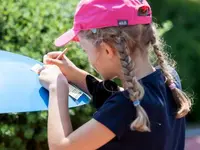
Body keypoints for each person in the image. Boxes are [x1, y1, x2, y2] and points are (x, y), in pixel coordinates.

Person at [38, 0, 192, 149]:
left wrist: (57, 87)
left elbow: (61, 147)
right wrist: (76, 75)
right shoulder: (169, 79)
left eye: (85, 50)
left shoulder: (124, 107)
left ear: (107, 50)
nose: (87, 56)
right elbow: (132, 99)